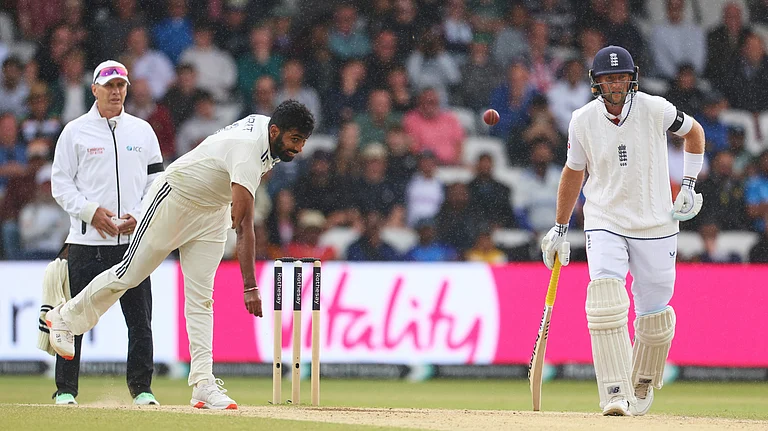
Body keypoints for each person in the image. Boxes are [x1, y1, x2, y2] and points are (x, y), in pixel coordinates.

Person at [45, 100, 315, 410]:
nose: (299, 148)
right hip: (175, 198)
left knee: (202, 297)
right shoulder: (248, 152)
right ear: (276, 130)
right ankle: (64, 317)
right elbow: (243, 226)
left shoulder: (270, 132)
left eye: (303, 141)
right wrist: (250, 285)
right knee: (130, 274)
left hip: (212, 211)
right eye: (295, 140)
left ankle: (203, 382)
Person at [540, 46, 705, 416]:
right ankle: (614, 392)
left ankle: (641, 379)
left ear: (633, 77)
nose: (615, 84)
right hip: (604, 220)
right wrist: (560, 227)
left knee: (655, 317)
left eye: (621, 77)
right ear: (596, 82)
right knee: (605, 301)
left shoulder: (655, 108)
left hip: (657, 223)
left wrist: (690, 185)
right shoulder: (582, 119)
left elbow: (695, 133)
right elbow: (572, 171)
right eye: (607, 78)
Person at [50, 60, 163, 406]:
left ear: (127, 89)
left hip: (133, 243)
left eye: (121, 86)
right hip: (86, 243)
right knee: (73, 319)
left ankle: (142, 389)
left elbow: (156, 182)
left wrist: (139, 216)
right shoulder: (75, 131)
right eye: (109, 86)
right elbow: (60, 183)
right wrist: (90, 212)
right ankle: (66, 390)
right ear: (94, 89)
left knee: (140, 322)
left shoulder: (142, 131)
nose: (116, 92)